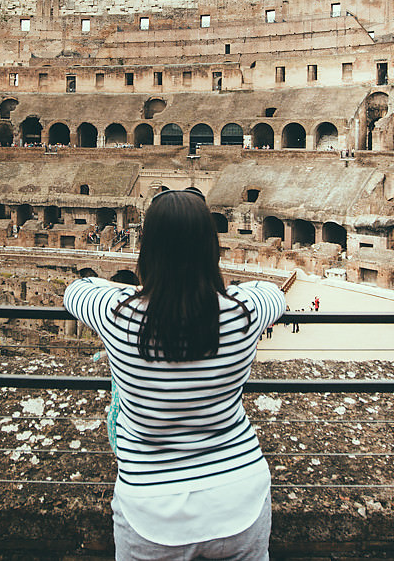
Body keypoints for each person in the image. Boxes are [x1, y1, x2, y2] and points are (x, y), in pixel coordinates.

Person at [63, 188, 285, 560]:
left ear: (148, 250)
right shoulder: (243, 314)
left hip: (152, 508)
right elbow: (271, 292)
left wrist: (142, 290)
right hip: (238, 499)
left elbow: (78, 289)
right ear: (211, 248)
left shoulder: (117, 314)